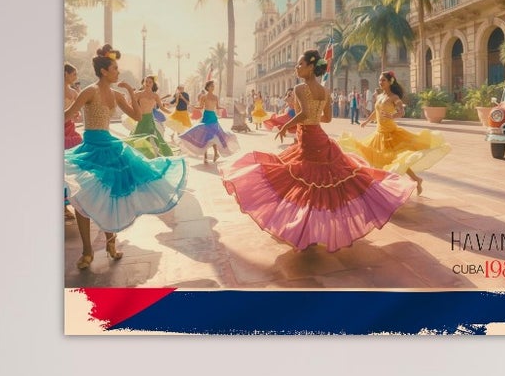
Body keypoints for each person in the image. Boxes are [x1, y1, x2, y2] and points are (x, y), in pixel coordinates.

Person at [223, 49, 413, 254]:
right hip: (319, 138)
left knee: (306, 182)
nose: (296, 68)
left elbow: (304, 113)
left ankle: (306, 232)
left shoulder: (299, 89)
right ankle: (311, 230)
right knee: (321, 183)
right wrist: (311, 119)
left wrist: (287, 126)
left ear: (311, 67)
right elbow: (327, 119)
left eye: (300, 65)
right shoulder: (325, 91)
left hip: (309, 142)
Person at [63, 49, 186, 268]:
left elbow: (138, 116)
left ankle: (111, 244)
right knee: (82, 197)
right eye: (115, 69)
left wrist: (130, 90)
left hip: (108, 146)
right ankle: (87, 251)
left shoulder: (117, 94)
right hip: (90, 148)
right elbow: (68, 114)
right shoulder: (89, 92)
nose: (118, 72)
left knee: (110, 196)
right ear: (103, 71)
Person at [341, 70, 451, 196]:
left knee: (397, 160)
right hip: (379, 133)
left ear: (390, 82)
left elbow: (401, 112)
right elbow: (375, 112)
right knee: (380, 159)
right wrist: (366, 121)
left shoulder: (395, 98)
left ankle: (385, 186)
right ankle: (414, 180)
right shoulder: (380, 96)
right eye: (380, 80)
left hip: (391, 134)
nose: (380, 82)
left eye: (383, 80)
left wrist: (391, 115)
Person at [177, 78, 238, 167]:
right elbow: (201, 107)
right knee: (205, 137)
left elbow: (217, 107)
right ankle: (205, 156)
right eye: (211, 86)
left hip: (213, 117)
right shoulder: (204, 97)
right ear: (208, 87)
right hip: (206, 117)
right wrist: (194, 107)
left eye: (213, 86)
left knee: (214, 136)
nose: (213, 87)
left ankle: (216, 153)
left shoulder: (216, 97)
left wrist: (223, 108)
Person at [123, 74, 177, 162]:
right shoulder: (138, 94)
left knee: (153, 138)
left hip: (150, 120)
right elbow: (130, 104)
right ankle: (137, 158)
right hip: (141, 119)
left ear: (153, 84)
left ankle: (152, 158)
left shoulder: (155, 96)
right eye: (146, 81)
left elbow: (162, 108)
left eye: (150, 82)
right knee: (137, 137)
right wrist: (137, 109)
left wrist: (172, 113)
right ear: (144, 83)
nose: (147, 83)